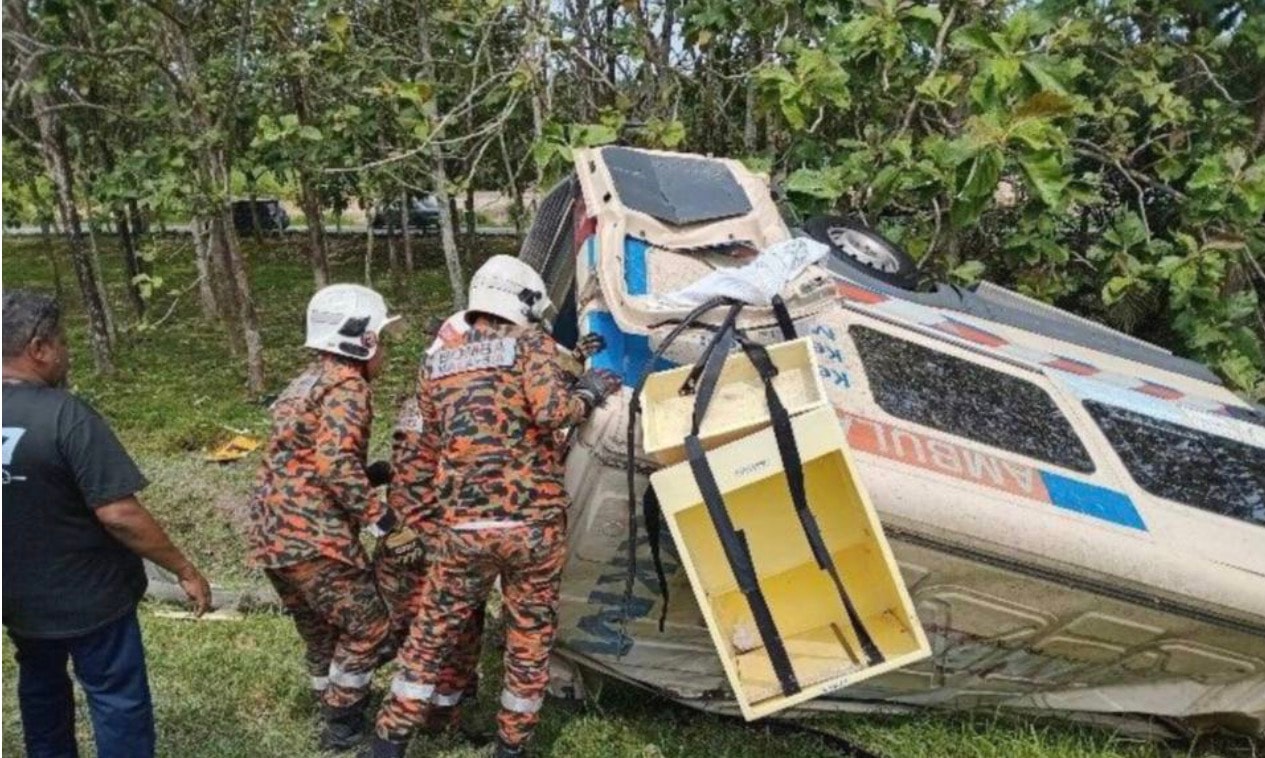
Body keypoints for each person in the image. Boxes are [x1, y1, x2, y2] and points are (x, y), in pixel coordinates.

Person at [361, 256, 621, 758]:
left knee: (431, 634)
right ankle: (511, 746)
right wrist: (587, 392)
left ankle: (387, 740)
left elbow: (431, 441)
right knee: (528, 639)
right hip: (533, 528)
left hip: (462, 528)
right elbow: (552, 412)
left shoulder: (436, 364)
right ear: (524, 303)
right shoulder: (531, 345)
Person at [2, 290, 213, 758]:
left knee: (40, 686)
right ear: (38, 348)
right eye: (61, 343)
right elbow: (120, 514)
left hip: (17, 603)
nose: (66, 353)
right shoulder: (66, 416)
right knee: (117, 698)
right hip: (90, 602)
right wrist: (184, 569)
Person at [246, 283, 421, 751]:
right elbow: (333, 466)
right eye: (380, 340)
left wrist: (372, 474)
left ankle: (329, 703)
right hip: (313, 537)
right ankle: (343, 724)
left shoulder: (304, 382)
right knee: (370, 627)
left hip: (272, 535)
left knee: (321, 631)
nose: (384, 351)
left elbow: (301, 461)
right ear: (359, 339)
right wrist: (384, 521)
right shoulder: (348, 387)